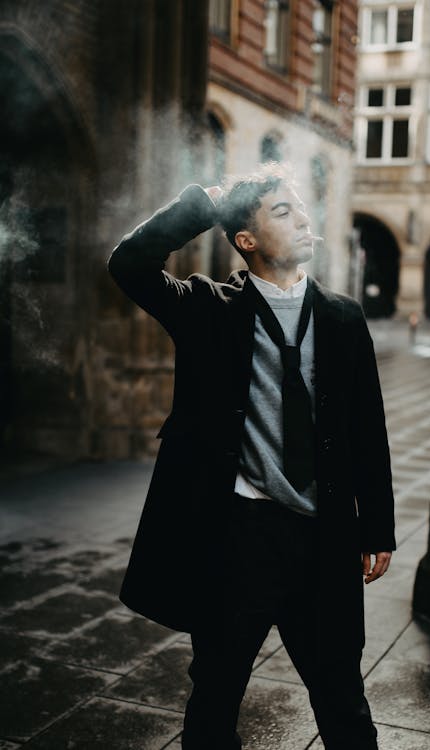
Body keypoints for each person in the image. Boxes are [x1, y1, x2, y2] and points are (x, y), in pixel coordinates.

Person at [108, 163, 396, 750]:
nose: (303, 219)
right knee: (215, 695)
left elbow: (368, 425)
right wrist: (204, 205)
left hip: (325, 536)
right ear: (247, 240)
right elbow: (128, 265)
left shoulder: (343, 317)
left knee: (342, 695)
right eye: (282, 212)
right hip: (237, 536)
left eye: (302, 208)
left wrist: (379, 526)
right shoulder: (207, 307)